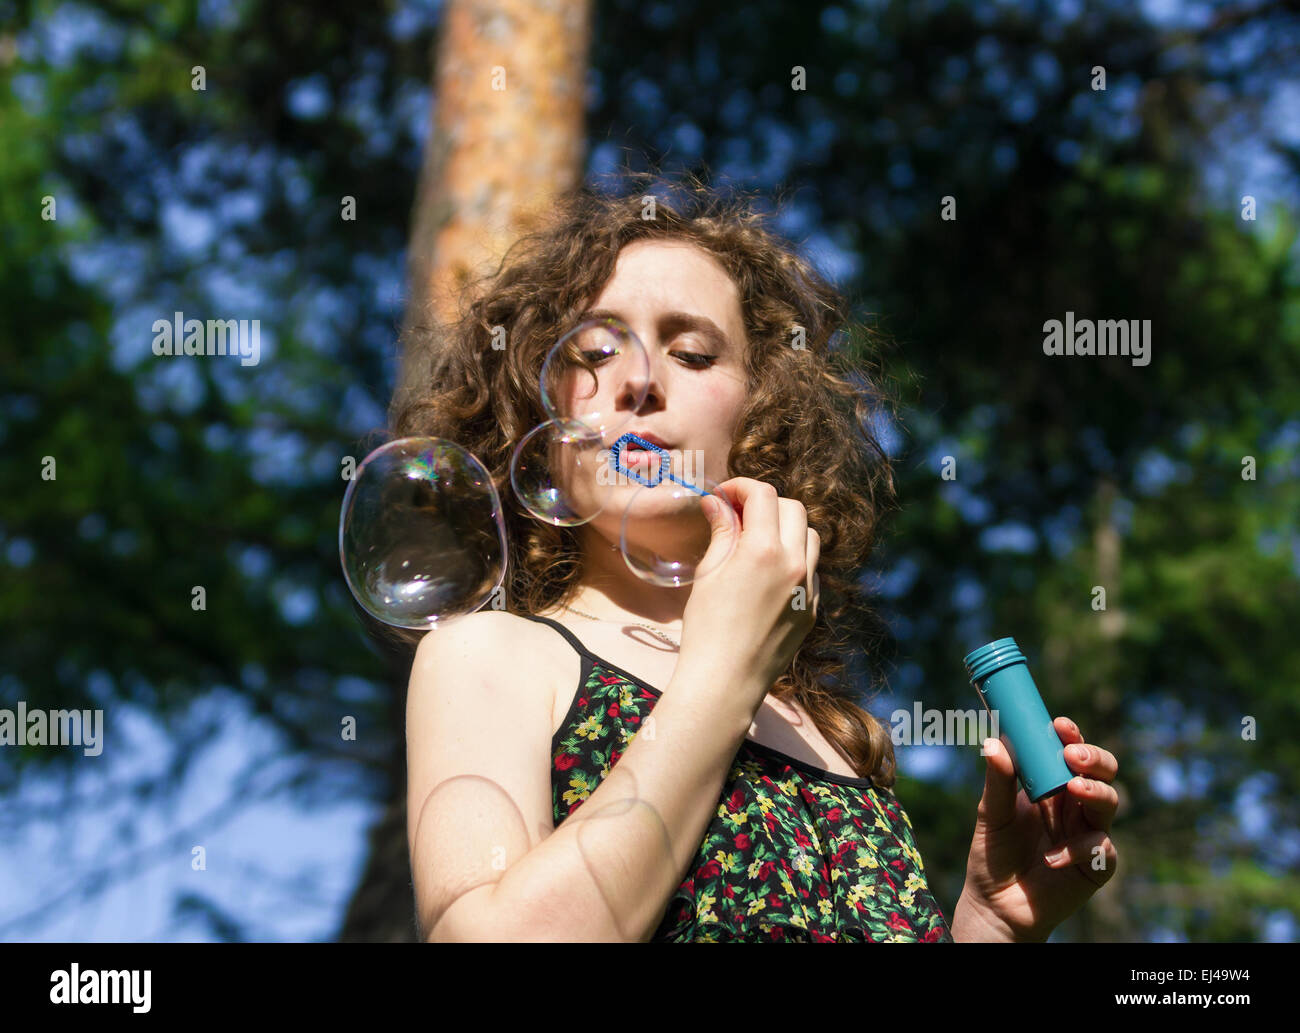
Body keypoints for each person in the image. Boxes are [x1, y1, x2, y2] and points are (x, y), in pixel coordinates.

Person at [393, 177, 1119, 942]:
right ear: (539, 410)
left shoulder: (834, 734)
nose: (640, 380)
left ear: (760, 412)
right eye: (596, 350)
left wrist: (990, 924)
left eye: (694, 352)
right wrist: (727, 673)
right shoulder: (491, 654)